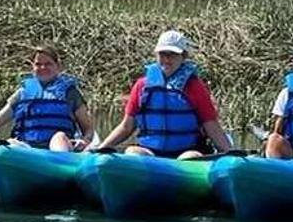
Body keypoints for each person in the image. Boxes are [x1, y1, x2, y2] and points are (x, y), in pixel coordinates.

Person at [91, 30, 235, 159]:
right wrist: (101, 148)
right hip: (150, 151)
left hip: (187, 151)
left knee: (190, 158)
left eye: (172, 54)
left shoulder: (195, 87)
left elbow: (211, 125)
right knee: (132, 152)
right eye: (162, 54)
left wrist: (230, 152)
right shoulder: (142, 86)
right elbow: (126, 127)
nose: (166, 59)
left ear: (183, 56)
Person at [0, 44, 96, 150]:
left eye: (48, 64)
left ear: (58, 66)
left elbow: (88, 129)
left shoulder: (70, 93)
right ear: (32, 67)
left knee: (58, 136)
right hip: (26, 147)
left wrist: (85, 140)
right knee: (10, 143)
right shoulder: (23, 93)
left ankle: (60, 168)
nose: (42, 68)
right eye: (38, 64)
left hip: (57, 146)